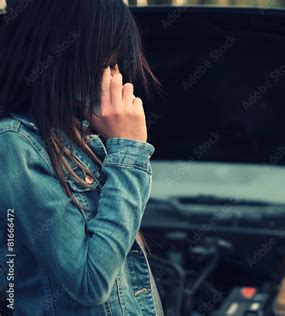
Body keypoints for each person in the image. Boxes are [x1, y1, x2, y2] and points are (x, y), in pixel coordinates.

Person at [0, 0, 163, 314]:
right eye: (107, 64)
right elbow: (91, 282)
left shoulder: (80, 139)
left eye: (118, 65)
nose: (118, 79)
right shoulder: (15, 146)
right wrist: (129, 149)